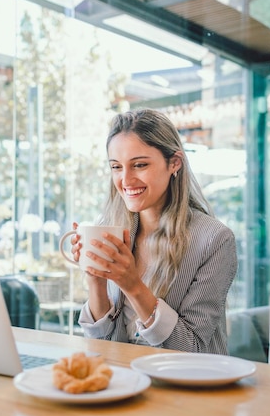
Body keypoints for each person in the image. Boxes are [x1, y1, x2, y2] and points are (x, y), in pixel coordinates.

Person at [72, 108, 237, 354]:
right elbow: (100, 346)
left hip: (186, 387)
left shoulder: (214, 240)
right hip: (125, 380)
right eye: (116, 167)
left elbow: (192, 348)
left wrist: (132, 284)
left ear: (174, 163)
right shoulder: (112, 227)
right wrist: (95, 280)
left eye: (139, 165)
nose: (126, 180)